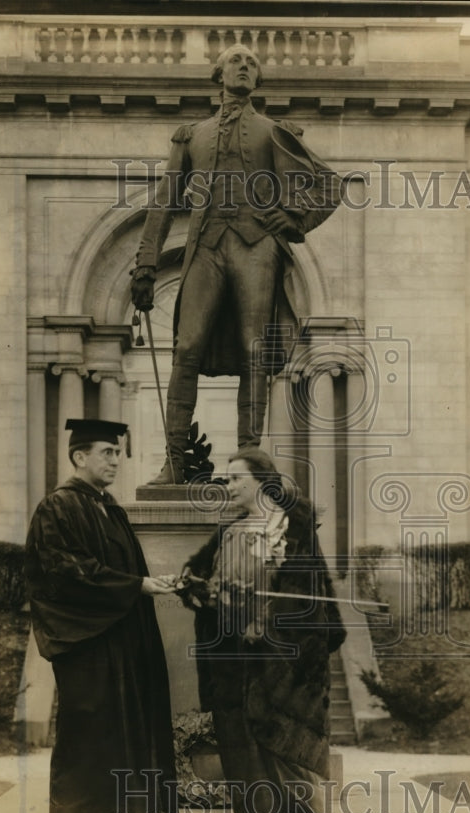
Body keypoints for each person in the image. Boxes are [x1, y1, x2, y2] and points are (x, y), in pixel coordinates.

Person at [131, 44, 342, 485]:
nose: (243, 67)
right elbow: (165, 201)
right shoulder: (191, 136)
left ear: (258, 80)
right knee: (186, 348)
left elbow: (330, 186)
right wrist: (146, 264)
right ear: (219, 74)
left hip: (256, 247)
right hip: (205, 247)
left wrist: (293, 218)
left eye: (251, 64)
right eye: (236, 62)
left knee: (254, 353)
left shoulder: (273, 132)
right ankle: (174, 463)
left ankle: (250, 461)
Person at [176, 448, 346, 813]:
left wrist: (268, 625)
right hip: (235, 660)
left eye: (235, 479)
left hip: (282, 662)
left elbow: (312, 598)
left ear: (260, 481)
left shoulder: (293, 530)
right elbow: (202, 581)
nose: (227, 486)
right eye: (226, 479)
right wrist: (201, 590)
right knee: (245, 752)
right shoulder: (230, 533)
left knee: (282, 749)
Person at [25, 418, 178, 813]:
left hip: (119, 640)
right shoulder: (58, 507)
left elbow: (124, 572)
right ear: (79, 457)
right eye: (107, 452)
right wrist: (137, 585)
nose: (116, 460)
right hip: (85, 641)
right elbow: (65, 570)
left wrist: (147, 584)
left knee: (123, 737)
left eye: (118, 453)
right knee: (85, 736)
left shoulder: (108, 507)